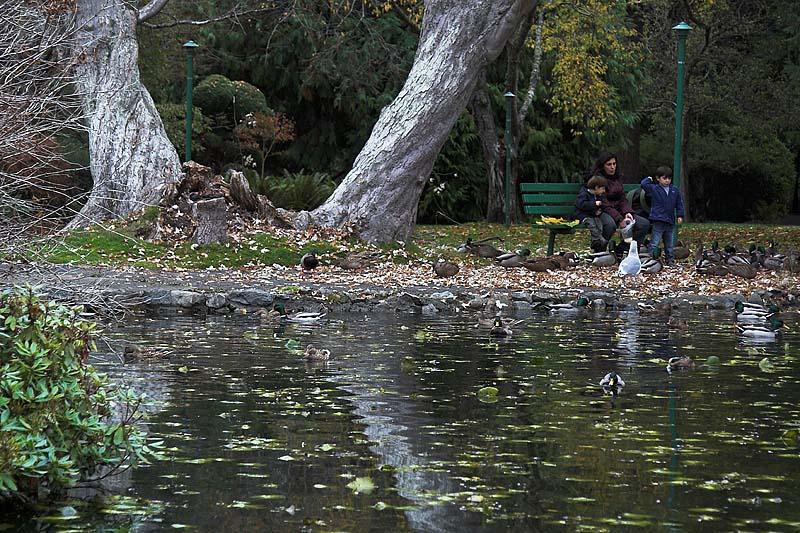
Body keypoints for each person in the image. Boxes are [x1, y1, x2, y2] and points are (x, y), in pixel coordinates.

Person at [588, 152, 650, 246]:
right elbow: (603, 204)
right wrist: (620, 219)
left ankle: (624, 249)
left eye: (614, 164)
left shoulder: (617, 178)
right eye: (609, 164)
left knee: (643, 224)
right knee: (610, 225)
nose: (612, 167)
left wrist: (627, 213)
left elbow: (622, 198)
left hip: (619, 211)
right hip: (603, 211)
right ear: (602, 166)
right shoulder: (598, 180)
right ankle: (600, 249)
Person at [640, 166, 685, 264]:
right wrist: (649, 178)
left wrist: (680, 215)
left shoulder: (674, 190)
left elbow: (679, 203)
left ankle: (670, 259)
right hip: (658, 220)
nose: (667, 181)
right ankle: (649, 259)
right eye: (664, 178)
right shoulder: (655, 189)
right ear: (658, 178)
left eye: (669, 178)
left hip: (670, 220)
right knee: (654, 242)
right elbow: (644, 184)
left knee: (669, 243)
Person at [574, 175, 615, 252]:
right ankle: (598, 240)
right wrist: (594, 204)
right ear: (596, 188)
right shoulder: (584, 194)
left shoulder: (597, 195)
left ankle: (596, 242)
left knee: (599, 224)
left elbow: (600, 205)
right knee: (592, 225)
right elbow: (581, 205)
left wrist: (598, 210)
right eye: (602, 188)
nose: (604, 191)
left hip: (592, 215)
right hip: (583, 216)